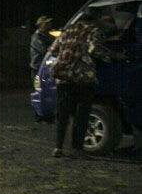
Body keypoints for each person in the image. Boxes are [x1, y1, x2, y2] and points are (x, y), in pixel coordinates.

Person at [48, 9, 125, 157]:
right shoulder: (94, 30)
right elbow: (95, 49)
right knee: (81, 115)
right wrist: (115, 55)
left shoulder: (67, 31)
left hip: (63, 78)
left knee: (62, 115)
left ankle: (58, 148)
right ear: (97, 18)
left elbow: (53, 50)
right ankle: (77, 148)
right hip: (83, 79)